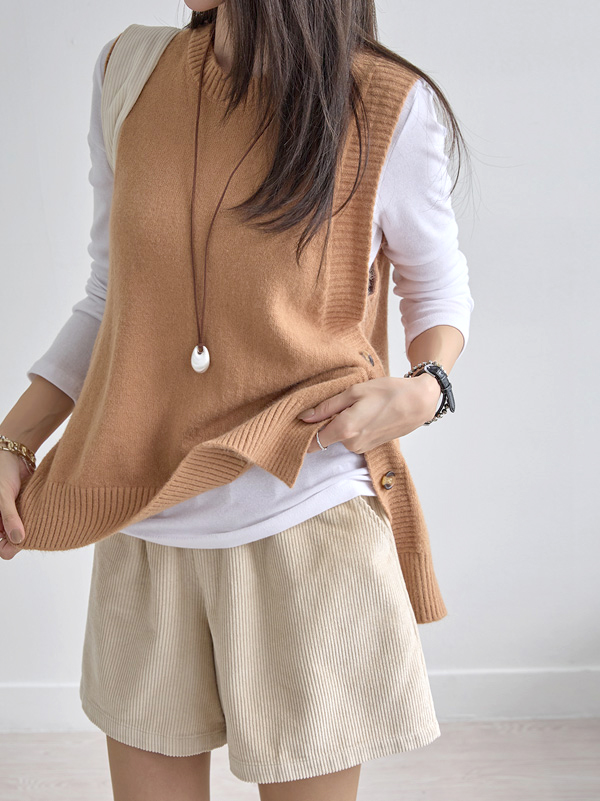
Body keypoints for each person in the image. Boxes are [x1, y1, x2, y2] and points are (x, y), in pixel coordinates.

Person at [0, 1, 474, 799]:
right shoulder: (129, 73)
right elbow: (112, 297)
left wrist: (426, 389)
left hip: (306, 516)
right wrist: (13, 441)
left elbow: (436, 282)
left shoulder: (381, 99)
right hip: (143, 517)